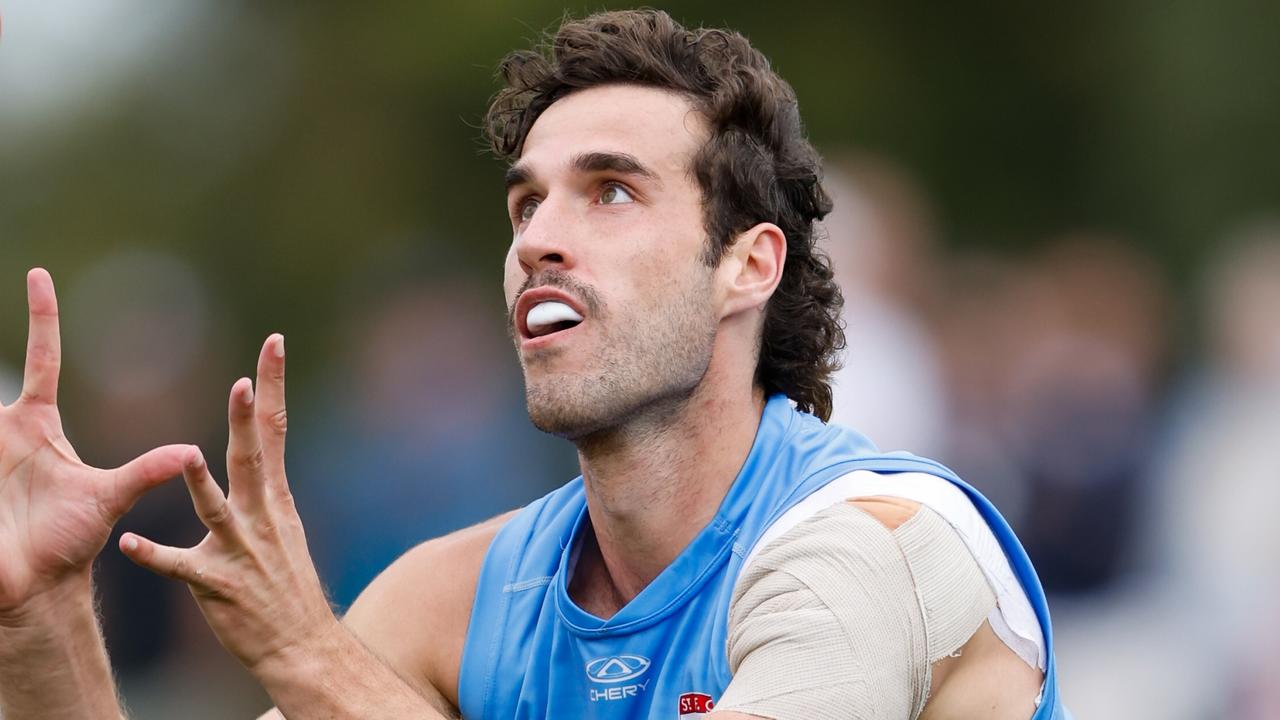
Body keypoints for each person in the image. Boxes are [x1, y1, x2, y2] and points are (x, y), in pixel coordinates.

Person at [0, 9, 1066, 719]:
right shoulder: (461, 594)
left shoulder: (872, 547)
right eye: (525, 202)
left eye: (610, 190)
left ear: (747, 265)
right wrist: (40, 616)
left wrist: (317, 665)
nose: (535, 239)